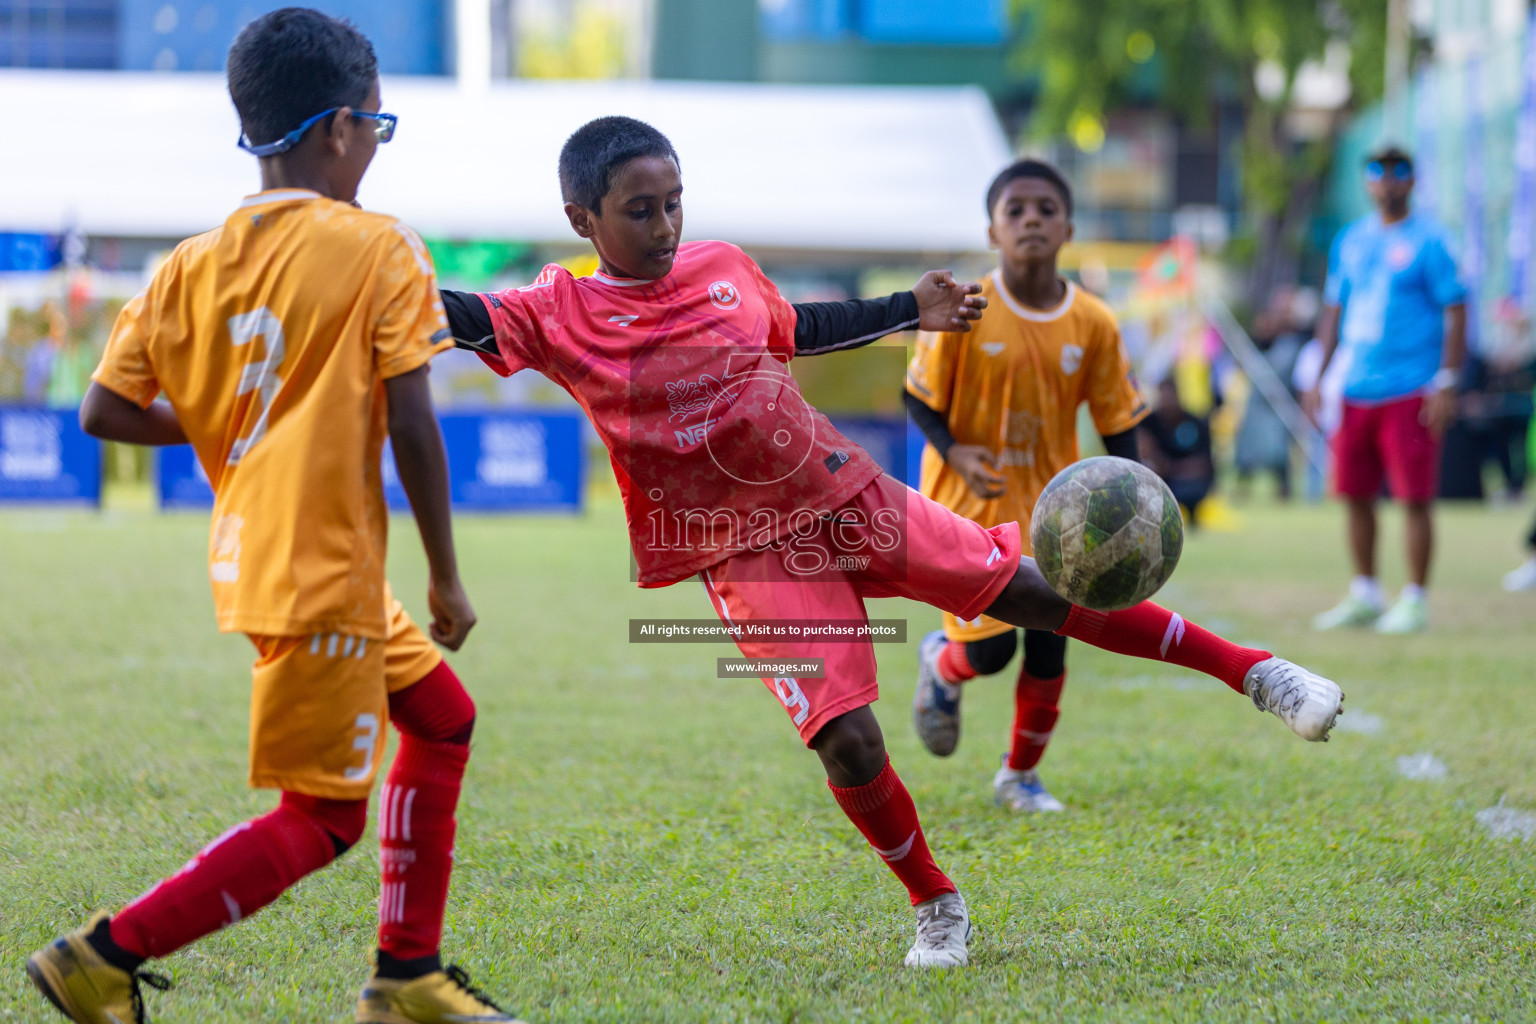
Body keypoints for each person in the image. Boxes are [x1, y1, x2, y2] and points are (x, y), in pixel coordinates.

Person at [441, 115, 1344, 971]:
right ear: (581, 218)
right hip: (745, 550)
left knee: (1032, 592)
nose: (668, 224)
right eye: (642, 210)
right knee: (851, 744)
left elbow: (799, 329)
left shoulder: (722, 266)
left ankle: (1257, 673)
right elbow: (448, 312)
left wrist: (910, 308)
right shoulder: (556, 311)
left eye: (676, 200)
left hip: (843, 490)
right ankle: (935, 902)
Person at [25, 10, 519, 1023]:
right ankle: (102, 954)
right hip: (326, 569)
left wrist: (217, 420)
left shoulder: (188, 263)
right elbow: (416, 424)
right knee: (327, 816)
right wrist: (446, 576)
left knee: (442, 717)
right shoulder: (380, 247)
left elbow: (102, 410)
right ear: (339, 128)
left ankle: (406, 975)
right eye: (378, 128)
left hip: (263, 555)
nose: (376, 148)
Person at [901, 158, 1148, 813]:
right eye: (1016, 210)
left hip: (1054, 513)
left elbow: (1118, 422)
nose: (1031, 219)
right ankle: (941, 664)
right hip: (967, 507)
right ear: (992, 229)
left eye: (1045, 208)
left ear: (1067, 226)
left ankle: (1020, 776)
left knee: (1050, 641)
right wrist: (956, 451)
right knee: (989, 654)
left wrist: (1137, 505)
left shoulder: (1094, 322)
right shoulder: (965, 308)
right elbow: (917, 396)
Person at [1304, 146, 1467, 634]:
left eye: (1399, 171)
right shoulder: (1351, 241)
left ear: (1413, 181)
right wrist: (1319, 375)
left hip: (1410, 388)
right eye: (1377, 171)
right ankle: (1366, 592)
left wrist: (1447, 380)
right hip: (1356, 387)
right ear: (1366, 181)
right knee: (1355, 494)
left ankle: (1415, 598)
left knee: (1413, 497)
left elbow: (1456, 309)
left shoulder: (1431, 240)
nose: (1388, 180)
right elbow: (1334, 310)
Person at [1234, 292, 1304, 501]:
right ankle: (1242, 489)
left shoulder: (1289, 345)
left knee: (1278, 452)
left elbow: (1275, 370)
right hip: (1256, 408)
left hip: (1277, 406)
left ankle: (1283, 490)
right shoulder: (1253, 346)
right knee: (1247, 451)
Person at [1140, 378, 1217, 524]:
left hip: (1188, 482)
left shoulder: (1196, 423)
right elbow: (1144, 453)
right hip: (1161, 481)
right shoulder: (1148, 423)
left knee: (1192, 489)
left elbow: (1203, 463)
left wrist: (1170, 467)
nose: (1167, 402)